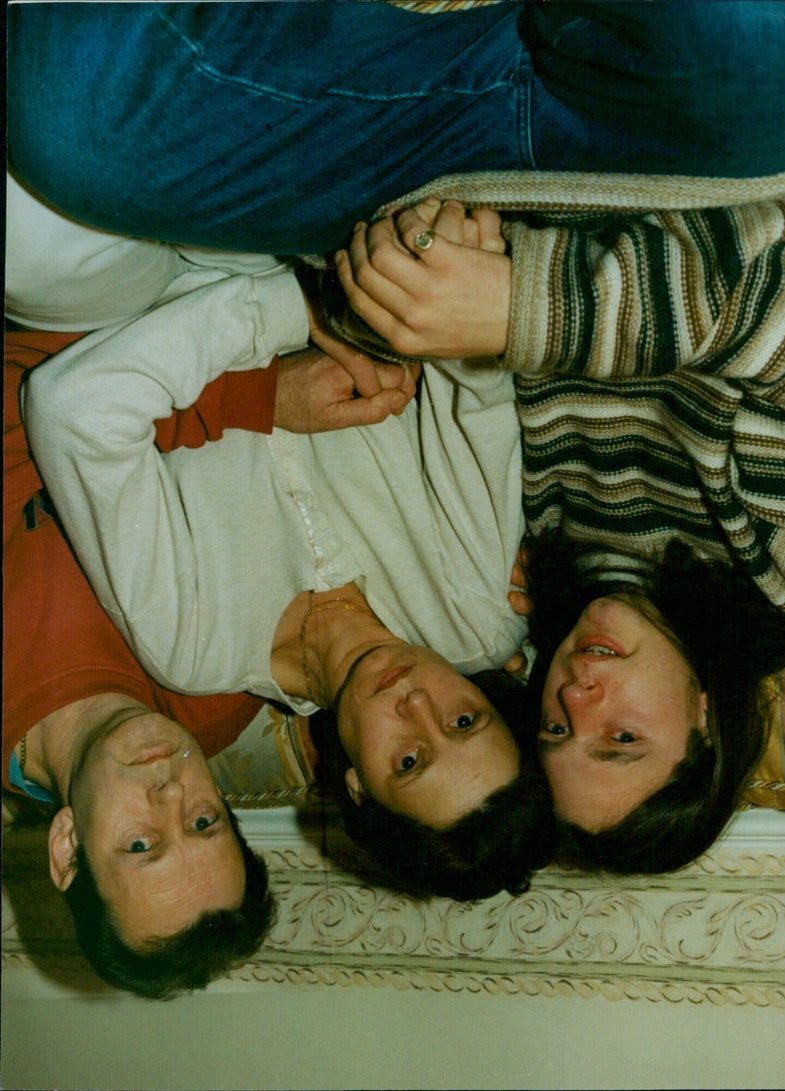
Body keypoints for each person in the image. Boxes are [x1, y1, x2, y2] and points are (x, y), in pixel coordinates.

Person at [12, 188, 555, 902]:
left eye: (411, 757)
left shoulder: (196, 647)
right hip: (316, 226)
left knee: (31, 241)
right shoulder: (478, 611)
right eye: (464, 718)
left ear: (358, 788)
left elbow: (75, 410)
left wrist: (300, 310)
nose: (416, 702)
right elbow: (472, 370)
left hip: (130, 304)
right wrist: (440, 253)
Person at [329, 174, 785, 871]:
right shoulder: (780, 568)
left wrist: (420, 271)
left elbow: (410, 364)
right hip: (685, 154)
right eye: (620, 737)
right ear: (704, 720)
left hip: (474, 163)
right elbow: (779, 285)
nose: (577, 694)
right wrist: (521, 306)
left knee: (128, 166)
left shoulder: (539, 556)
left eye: (555, 727)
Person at [6, 2, 785, 255]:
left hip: (530, 135)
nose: (585, 659)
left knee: (80, 118)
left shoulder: (480, 612)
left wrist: (512, 314)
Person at [4, 333, 279, 999]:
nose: (171, 790)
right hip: (190, 322)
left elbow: (21, 386)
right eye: (205, 821)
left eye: (141, 843)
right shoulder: (218, 693)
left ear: (66, 846)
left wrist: (253, 399)